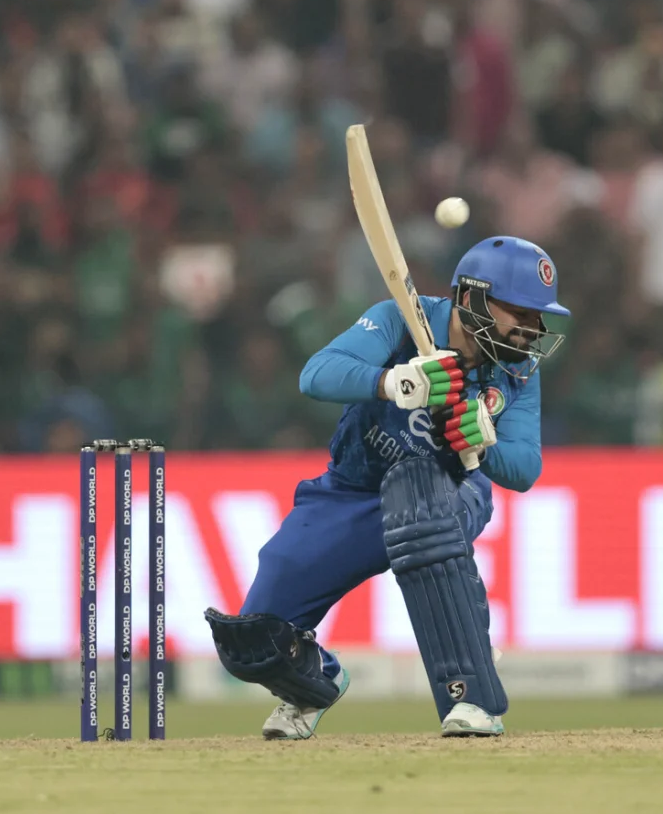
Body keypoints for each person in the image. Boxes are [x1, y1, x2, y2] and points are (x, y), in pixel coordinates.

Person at [203, 237, 568, 739]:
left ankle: (472, 696)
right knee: (255, 640)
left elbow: (524, 469)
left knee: (416, 500)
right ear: (473, 299)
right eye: (520, 315)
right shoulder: (400, 320)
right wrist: (395, 382)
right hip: (351, 490)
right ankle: (313, 684)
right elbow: (316, 375)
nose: (531, 331)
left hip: (450, 489)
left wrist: (482, 442)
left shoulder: (517, 367)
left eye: (537, 318)